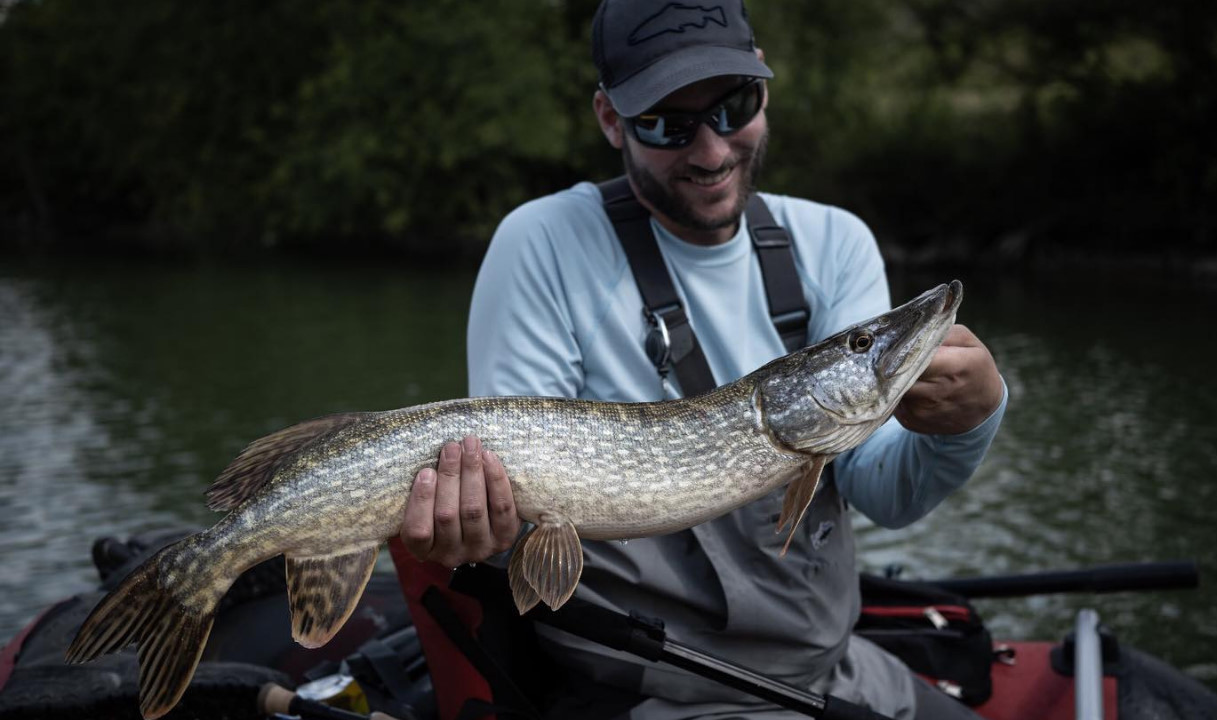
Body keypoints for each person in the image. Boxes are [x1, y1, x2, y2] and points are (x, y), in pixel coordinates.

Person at [395, 1, 1007, 718]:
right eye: (666, 124)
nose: (712, 151)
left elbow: (885, 490)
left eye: (732, 106)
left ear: (764, 93)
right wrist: (480, 528)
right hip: (645, 687)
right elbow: (522, 504)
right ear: (610, 120)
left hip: (823, 674)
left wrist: (967, 422)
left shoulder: (834, 242)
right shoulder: (544, 244)